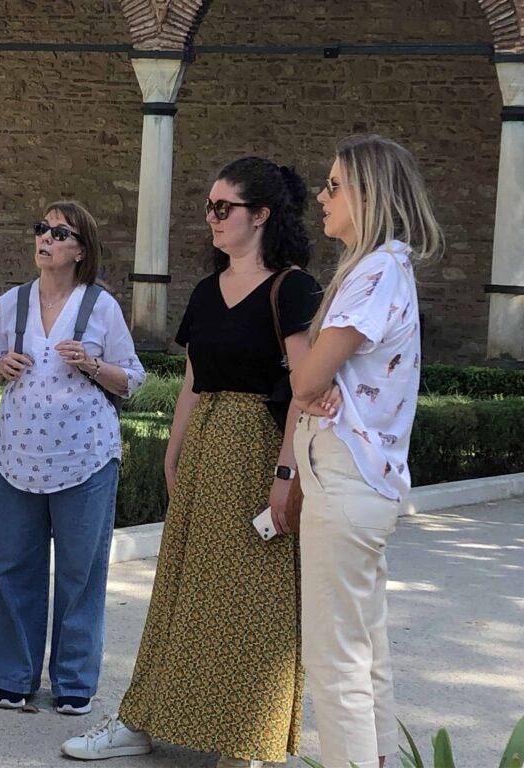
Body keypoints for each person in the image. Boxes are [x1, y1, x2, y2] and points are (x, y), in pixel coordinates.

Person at [62, 158, 322, 767]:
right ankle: (142, 717)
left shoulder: (294, 288)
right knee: (180, 588)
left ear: (260, 216)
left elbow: (305, 390)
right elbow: (192, 381)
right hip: (207, 449)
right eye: (209, 207)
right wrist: (173, 452)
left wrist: (286, 474)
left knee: (256, 597)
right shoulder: (207, 291)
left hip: (262, 449)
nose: (211, 218)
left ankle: (250, 737)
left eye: (223, 208)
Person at [290, 135, 442, 768]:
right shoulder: (380, 267)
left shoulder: (376, 270)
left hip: (346, 482)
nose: (322, 198)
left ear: (370, 195)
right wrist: (317, 382)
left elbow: (305, 380)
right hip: (356, 483)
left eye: (333, 186)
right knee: (365, 651)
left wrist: (313, 381)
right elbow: (317, 379)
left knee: (337, 660)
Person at [0, 200, 146, 717]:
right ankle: (13, 675)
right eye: (41, 229)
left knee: (81, 571)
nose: (45, 238)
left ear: (80, 250)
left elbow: (133, 380)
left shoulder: (101, 307)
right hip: (16, 454)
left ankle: (74, 680)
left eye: (59, 232)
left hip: (85, 459)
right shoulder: (13, 302)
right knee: (11, 566)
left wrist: (93, 364)